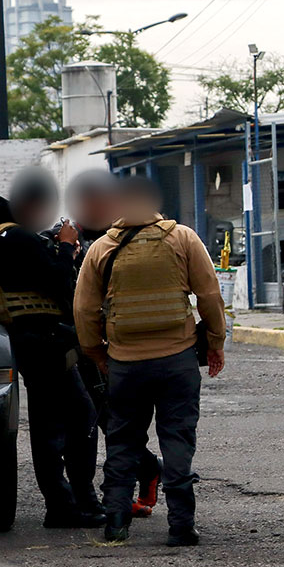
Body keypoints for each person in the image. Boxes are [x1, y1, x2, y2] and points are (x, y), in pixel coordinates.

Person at [73, 176, 226, 546]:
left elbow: (83, 310)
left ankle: (115, 524)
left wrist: (97, 353)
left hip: (125, 364)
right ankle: (181, 526)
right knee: (177, 439)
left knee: (123, 442)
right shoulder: (183, 238)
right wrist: (215, 343)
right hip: (177, 361)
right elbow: (209, 295)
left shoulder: (101, 248)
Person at [0, 167, 105, 528]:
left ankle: (67, 504)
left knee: (53, 423)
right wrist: (64, 244)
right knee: (77, 419)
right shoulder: (16, 238)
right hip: (46, 344)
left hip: (34, 343)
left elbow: (28, 283)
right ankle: (74, 503)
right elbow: (58, 278)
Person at [61, 170, 164, 519]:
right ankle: (137, 476)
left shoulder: (120, 239)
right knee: (101, 420)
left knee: (112, 422)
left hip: (115, 345)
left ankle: (132, 483)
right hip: (86, 345)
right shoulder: (70, 236)